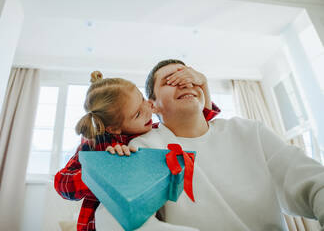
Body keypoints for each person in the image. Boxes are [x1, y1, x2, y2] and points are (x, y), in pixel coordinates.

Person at [95, 59, 324, 231]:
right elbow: (114, 220)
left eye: (189, 77)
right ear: (152, 105)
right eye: (171, 81)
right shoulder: (144, 147)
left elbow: (314, 184)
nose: (185, 83)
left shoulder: (248, 131)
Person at [54, 70, 220, 231]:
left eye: (142, 98)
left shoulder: (153, 131)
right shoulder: (94, 145)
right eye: (138, 113)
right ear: (114, 129)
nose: (148, 108)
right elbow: (63, 184)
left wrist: (203, 83)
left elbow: (197, 121)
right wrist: (106, 166)